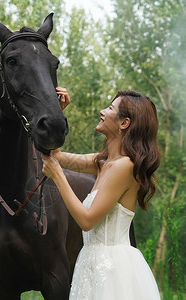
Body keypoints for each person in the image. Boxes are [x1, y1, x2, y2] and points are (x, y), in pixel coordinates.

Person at [42, 87, 161, 299]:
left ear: (124, 123)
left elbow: (87, 221)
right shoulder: (103, 163)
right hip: (90, 266)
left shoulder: (124, 167)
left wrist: (58, 176)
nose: (102, 111)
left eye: (110, 108)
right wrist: (58, 112)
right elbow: (55, 155)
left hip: (113, 271)